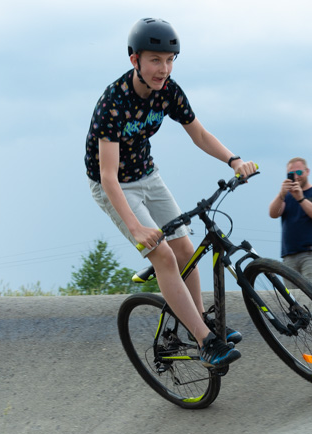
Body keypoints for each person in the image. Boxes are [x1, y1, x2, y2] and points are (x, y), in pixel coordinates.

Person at [84, 17, 257, 367]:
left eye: (169, 60)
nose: (163, 69)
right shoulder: (112, 103)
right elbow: (108, 177)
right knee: (162, 255)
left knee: (185, 251)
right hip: (115, 186)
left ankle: (196, 323)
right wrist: (136, 228)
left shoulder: (170, 92)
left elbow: (200, 135)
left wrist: (233, 160)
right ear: (135, 60)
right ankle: (206, 341)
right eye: (155, 60)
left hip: (149, 176)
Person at [268, 157, 312, 288]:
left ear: (307, 171)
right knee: (292, 301)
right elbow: (273, 213)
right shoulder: (286, 197)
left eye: (299, 173)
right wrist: (281, 194)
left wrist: (301, 198)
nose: (296, 177)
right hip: (289, 255)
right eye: (291, 174)